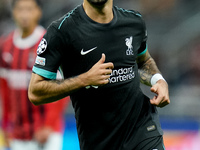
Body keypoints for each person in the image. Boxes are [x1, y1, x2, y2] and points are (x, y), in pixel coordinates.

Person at [28, 0, 170, 149]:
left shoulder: (134, 22)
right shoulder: (61, 31)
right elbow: (35, 92)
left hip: (143, 130)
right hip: (99, 141)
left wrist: (158, 80)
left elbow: (142, 60)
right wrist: (84, 79)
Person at [0, 0, 69, 150]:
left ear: (38, 12)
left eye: (29, 9)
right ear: (13, 12)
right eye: (20, 9)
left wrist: (49, 125)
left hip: (47, 133)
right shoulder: (6, 45)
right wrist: (5, 124)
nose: (24, 14)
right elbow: (5, 89)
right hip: (18, 133)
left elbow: (63, 89)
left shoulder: (50, 42)